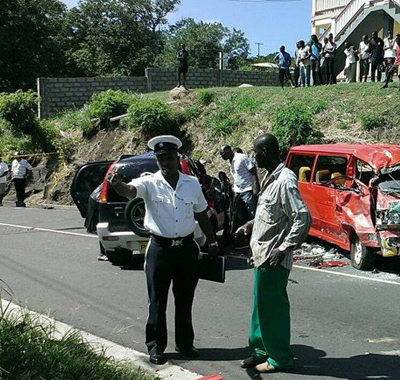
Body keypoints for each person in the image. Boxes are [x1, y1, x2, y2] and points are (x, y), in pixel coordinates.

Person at [107, 135, 220, 365]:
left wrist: (212, 240)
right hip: (160, 249)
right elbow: (130, 191)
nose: (165, 163)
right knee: (157, 300)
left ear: (177, 158)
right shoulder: (149, 182)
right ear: (157, 161)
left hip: (187, 249)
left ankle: (185, 344)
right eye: (161, 160)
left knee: (185, 299)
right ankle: (156, 347)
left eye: (169, 158)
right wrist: (118, 185)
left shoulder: (192, 184)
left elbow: (201, 212)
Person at [236, 133, 311, 374]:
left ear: (266, 152)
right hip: (261, 255)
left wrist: (284, 248)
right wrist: (249, 225)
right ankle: (260, 350)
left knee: (273, 309)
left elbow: (302, 217)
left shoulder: (285, 180)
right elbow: (272, 214)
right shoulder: (270, 177)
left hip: (273, 256)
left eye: (256, 151)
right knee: (260, 307)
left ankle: (280, 358)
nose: (253, 155)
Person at [220, 145, 260, 226]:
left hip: (248, 190)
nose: (221, 156)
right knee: (241, 215)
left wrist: (256, 187)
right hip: (238, 191)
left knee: (252, 214)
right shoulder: (230, 161)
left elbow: (253, 171)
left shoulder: (242, 158)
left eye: (222, 154)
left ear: (228, 151)